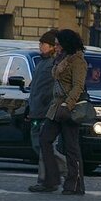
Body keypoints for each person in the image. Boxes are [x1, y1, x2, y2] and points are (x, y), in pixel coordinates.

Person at [38, 29, 88, 195]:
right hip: (56, 107)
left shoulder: (78, 61)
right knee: (45, 139)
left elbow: (78, 86)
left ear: (67, 44)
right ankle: (51, 179)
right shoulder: (60, 59)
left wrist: (68, 104)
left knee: (71, 147)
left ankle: (75, 184)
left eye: (59, 44)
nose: (56, 47)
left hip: (68, 108)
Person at [27, 30, 67, 192]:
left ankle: (49, 178)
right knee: (39, 146)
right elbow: (35, 88)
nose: (40, 46)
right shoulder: (41, 63)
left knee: (45, 148)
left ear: (51, 46)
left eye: (42, 44)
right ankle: (55, 175)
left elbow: (53, 90)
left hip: (46, 112)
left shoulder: (53, 64)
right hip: (36, 110)